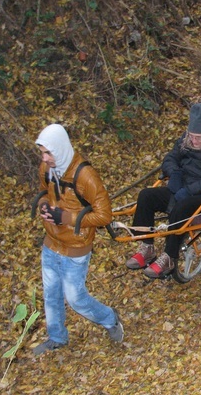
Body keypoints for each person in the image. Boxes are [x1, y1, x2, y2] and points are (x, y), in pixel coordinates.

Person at [33, 124, 123, 356]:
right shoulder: (46, 167)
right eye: (42, 152)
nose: (44, 158)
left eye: (48, 152)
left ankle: (109, 318)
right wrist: (44, 206)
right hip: (51, 243)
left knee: (76, 299)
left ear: (60, 149)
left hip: (76, 247)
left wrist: (65, 217)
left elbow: (104, 216)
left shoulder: (86, 176)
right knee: (51, 294)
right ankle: (57, 337)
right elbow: (44, 190)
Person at [125, 103, 201, 277]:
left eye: (199, 138)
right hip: (182, 187)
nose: (194, 141)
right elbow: (170, 158)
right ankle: (146, 247)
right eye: (192, 136)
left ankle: (169, 257)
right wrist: (174, 173)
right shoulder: (186, 140)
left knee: (181, 208)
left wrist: (192, 188)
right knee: (146, 196)